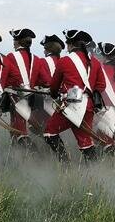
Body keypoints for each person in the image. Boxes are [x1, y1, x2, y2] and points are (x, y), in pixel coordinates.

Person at [44, 29, 106, 163]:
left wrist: (54, 94)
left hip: (71, 106)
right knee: (85, 142)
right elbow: (101, 85)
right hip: (89, 107)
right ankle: (95, 171)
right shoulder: (95, 62)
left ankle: (65, 164)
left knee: (49, 133)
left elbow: (54, 86)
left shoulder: (64, 61)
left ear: (70, 45)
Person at [4, 28, 39, 149]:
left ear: (17, 42)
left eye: (14, 40)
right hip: (33, 98)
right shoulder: (37, 59)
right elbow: (45, 80)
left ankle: (35, 158)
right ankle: (16, 155)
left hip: (16, 98)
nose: (13, 43)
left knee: (19, 132)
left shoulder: (11, 57)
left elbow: (5, 78)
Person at [31, 34, 64, 131]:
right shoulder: (64, 61)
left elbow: (39, 80)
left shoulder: (42, 61)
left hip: (48, 99)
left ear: (47, 49)